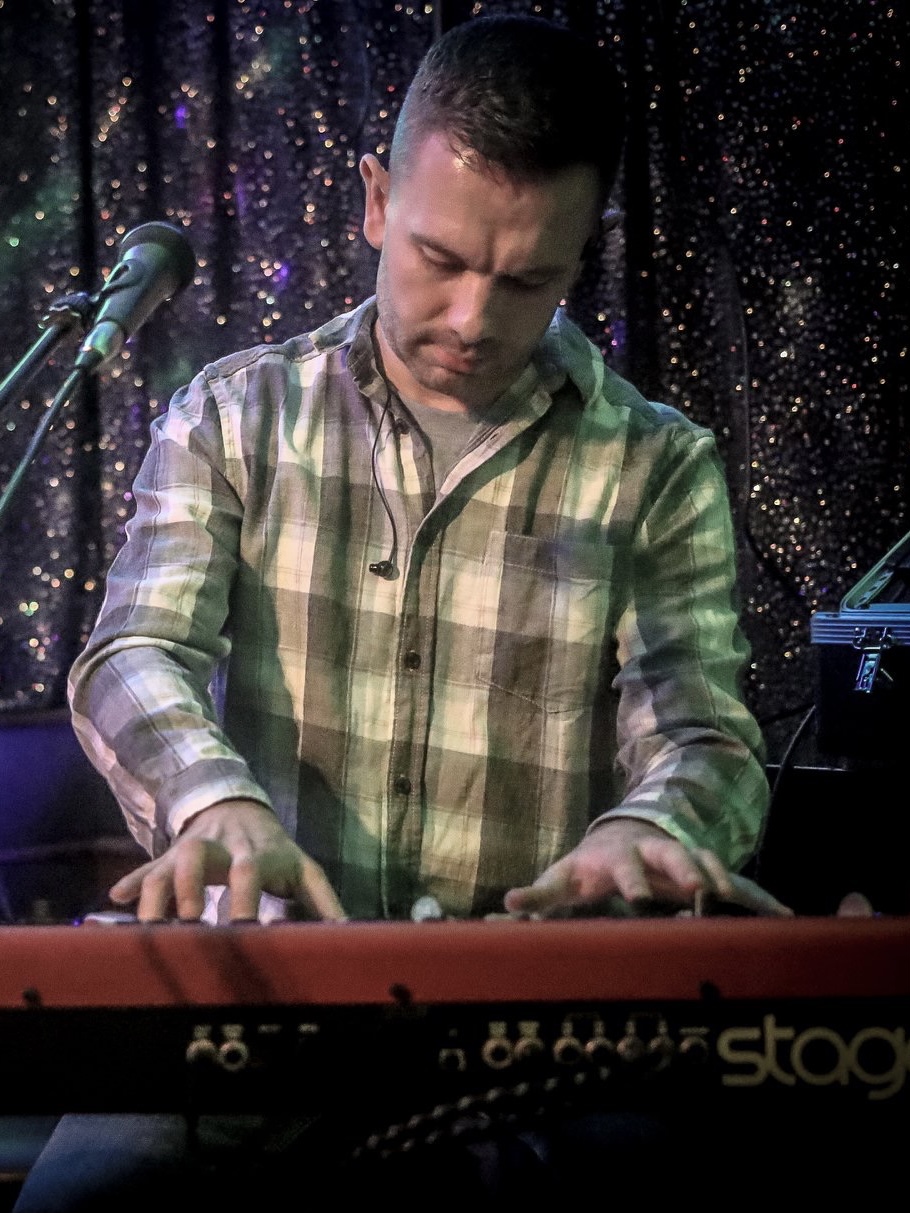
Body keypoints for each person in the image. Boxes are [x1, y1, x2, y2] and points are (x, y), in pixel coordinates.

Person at [15, 14, 788, 1211]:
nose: (475, 318)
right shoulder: (236, 414)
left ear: (585, 252)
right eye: (441, 256)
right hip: (256, 1009)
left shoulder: (656, 463)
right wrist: (212, 798)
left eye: (527, 277)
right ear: (377, 199)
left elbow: (703, 735)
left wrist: (658, 828)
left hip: (544, 1042)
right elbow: (134, 651)